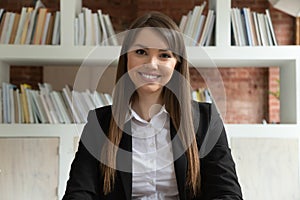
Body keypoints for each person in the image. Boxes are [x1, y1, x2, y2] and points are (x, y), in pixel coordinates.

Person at [63, 11, 243, 200]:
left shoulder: (207, 120)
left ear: (176, 64)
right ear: (126, 58)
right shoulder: (99, 123)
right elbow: (78, 194)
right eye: (141, 52)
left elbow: (227, 194)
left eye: (164, 55)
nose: (151, 64)